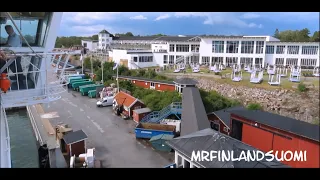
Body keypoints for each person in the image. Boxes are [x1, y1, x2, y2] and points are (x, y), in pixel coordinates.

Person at [0, 25, 25, 89]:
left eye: (8, 29)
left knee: (16, 69)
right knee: (6, 68)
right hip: (10, 55)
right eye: (6, 30)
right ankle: (4, 81)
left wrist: (2, 47)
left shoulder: (15, 37)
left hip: (14, 56)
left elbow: (9, 46)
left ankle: (21, 83)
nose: (7, 31)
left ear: (12, 29)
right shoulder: (10, 36)